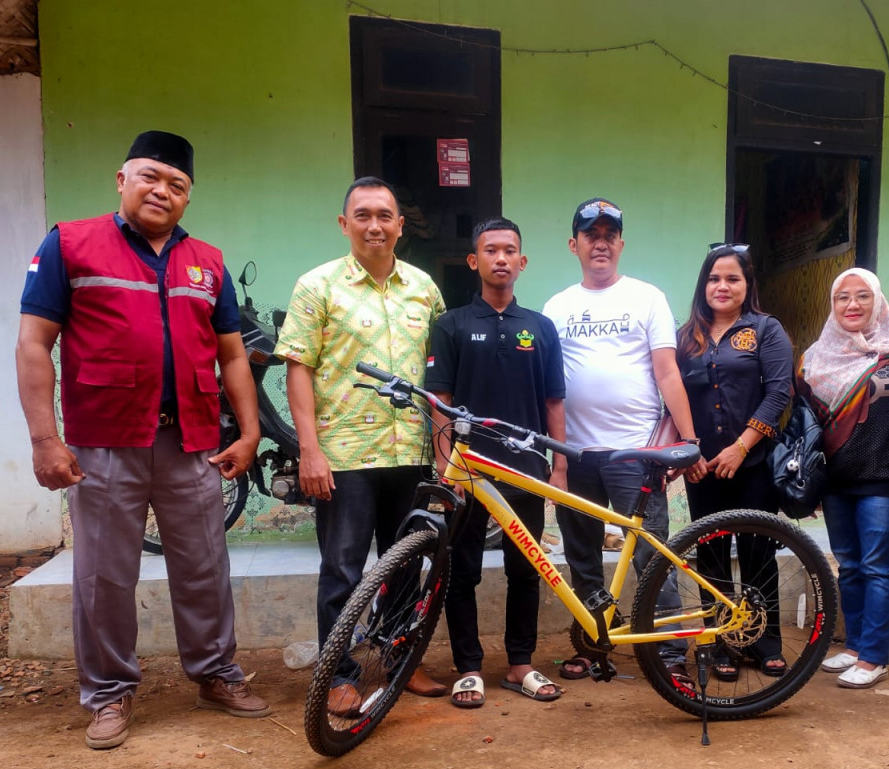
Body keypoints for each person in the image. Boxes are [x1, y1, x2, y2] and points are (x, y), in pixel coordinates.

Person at [16, 130, 271, 750]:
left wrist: (252, 431)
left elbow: (232, 356)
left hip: (191, 442)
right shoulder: (69, 245)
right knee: (103, 576)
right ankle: (107, 692)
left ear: (188, 196)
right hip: (104, 443)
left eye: (177, 185)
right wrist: (45, 439)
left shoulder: (206, 262)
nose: (163, 191)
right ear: (122, 180)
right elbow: (33, 344)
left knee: (205, 568)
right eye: (151, 177)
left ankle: (215, 674)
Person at [276, 176, 447, 717]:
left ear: (400, 224)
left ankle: (401, 660)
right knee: (344, 570)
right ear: (344, 223)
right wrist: (309, 449)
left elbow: (438, 375)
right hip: (344, 455)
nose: (375, 225)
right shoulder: (317, 286)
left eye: (385, 215)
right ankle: (341, 673)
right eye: (364, 215)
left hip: (412, 452)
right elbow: (297, 370)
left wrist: (444, 454)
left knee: (406, 567)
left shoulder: (424, 288)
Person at [542, 198, 699, 681]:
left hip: (636, 453)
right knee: (582, 554)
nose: (602, 242)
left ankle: (670, 653)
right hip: (577, 453)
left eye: (611, 234)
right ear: (575, 245)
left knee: (653, 555)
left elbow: (667, 372)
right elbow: (551, 389)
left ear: (622, 244)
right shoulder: (557, 306)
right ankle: (594, 644)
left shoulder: (647, 297)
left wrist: (686, 440)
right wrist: (557, 457)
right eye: (592, 234)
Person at [425, 217, 567, 708]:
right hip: (468, 471)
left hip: (526, 469)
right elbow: (438, 401)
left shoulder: (541, 328)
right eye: (491, 250)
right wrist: (448, 470)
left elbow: (554, 403)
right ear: (474, 261)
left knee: (526, 568)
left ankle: (520, 664)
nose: (501, 258)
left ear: (522, 262)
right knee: (461, 571)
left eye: (510, 250)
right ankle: (468, 668)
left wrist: (560, 467)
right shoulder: (451, 325)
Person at [798, 268, 889, 689]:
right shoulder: (814, 358)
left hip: (886, 480)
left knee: (878, 566)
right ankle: (854, 646)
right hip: (836, 480)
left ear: (878, 302)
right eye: (843, 298)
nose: (852, 305)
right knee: (848, 565)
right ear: (833, 306)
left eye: (862, 296)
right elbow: (807, 422)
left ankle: (875, 656)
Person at [679, 244, 792, 681]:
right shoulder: (685, 335)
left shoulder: (765, 330)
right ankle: (719, 643)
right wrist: (690, 452)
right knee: (710, 557)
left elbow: (779, 393)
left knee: (757, 553)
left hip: (753, 465)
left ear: (747, 285)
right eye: (713, 278)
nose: (722, 287)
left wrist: (742, 446)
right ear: (702, 285)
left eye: (732, 279)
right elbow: (674, 397)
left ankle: (764, 641)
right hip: (701, 467)